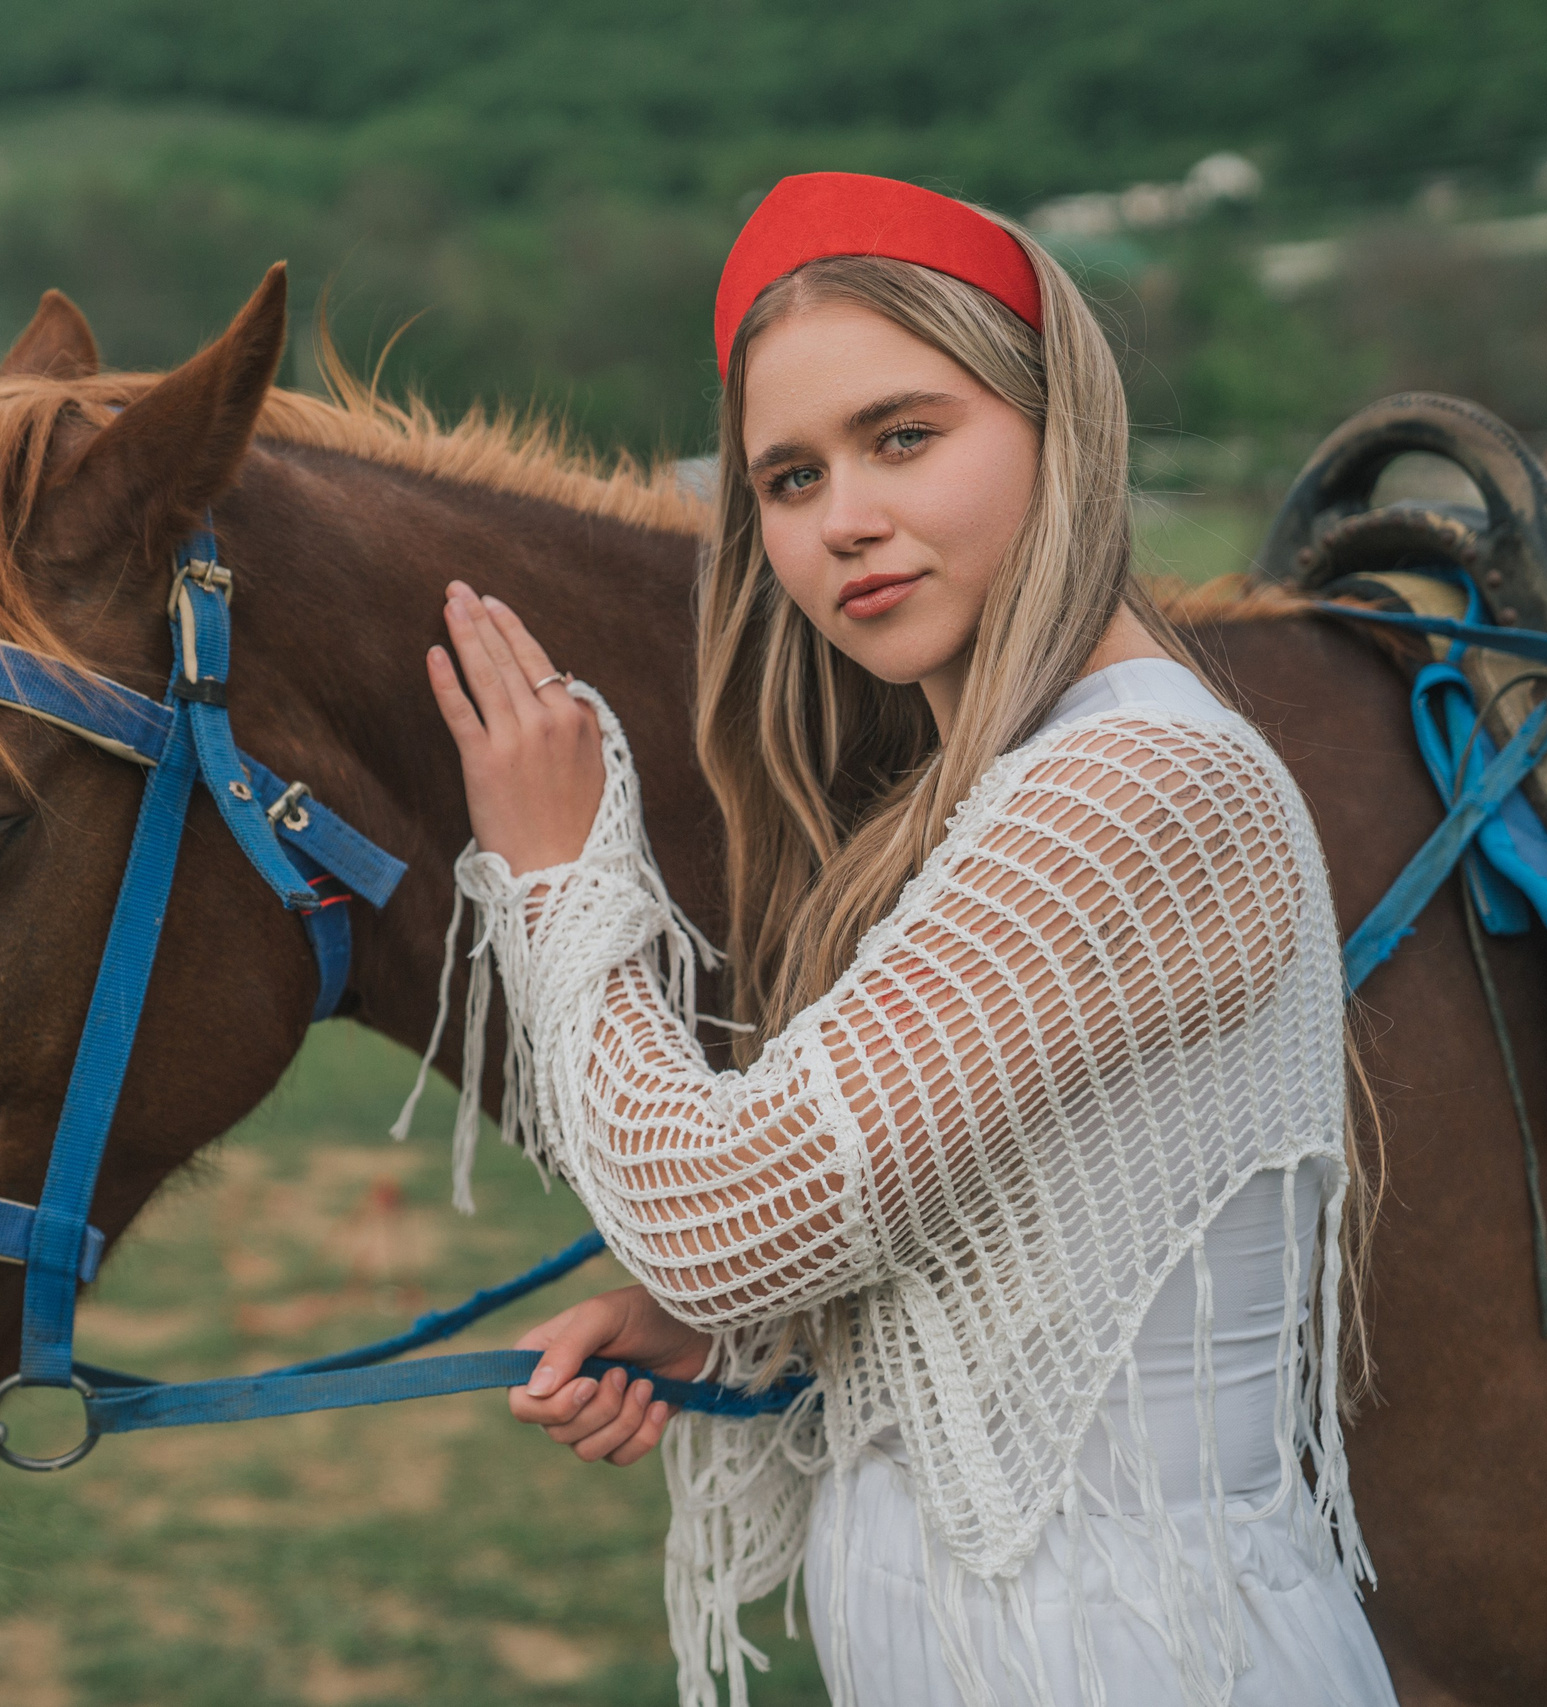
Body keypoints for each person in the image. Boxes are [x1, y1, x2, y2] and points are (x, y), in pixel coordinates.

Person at [423, 174, 1387, 1707]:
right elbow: (1021, 1230)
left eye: (905, 436)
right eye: (791, 478)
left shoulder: (1139, 781)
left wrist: (555, 874)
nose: (845, 519)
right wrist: (736, 1325)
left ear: (1060, 427)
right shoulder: (1017, 787)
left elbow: (714, 1210)